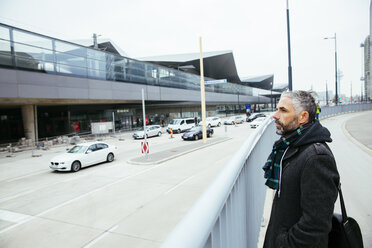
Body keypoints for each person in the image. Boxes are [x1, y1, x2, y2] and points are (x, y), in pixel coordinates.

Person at [263, 90, 340, 248]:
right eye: (277, 109)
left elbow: (315, 226)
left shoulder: (316, 158)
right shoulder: (289, 146)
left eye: (283, 110)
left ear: (303, 117)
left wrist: (283, 243)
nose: (275, 115)